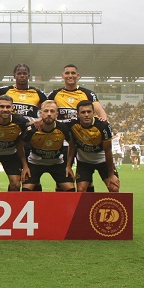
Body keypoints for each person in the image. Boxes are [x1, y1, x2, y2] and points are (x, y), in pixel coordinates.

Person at [48, 64, 108, 192]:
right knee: (63, 178)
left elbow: (100, 112)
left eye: (73, 73)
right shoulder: (55, 94)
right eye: (67, 73)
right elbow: (45, 110)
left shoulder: (87, 93)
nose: (70, 75)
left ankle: (86, 203)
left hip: (82, 142)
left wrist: (104, 123)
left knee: (86, 180)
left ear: (78, 75)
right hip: (64, 142)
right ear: (63, 76)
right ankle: (64, 203)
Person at [21, 101, 74, 192]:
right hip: (35, 163)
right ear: (40, 113)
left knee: (70, 189)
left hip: (57, 163)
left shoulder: (63, 128)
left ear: (57, 114)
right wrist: (25, 166)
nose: (49, 114)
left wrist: (68, 166)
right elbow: (20, 145)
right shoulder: (32, 130)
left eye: (52, 111)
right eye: (46, 111)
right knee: (26, 190)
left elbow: (72, 145)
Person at [67, 100, 120, 192]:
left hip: (102, 161)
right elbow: (72, 146)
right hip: (84, 161)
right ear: (78, 114)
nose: (86, 115)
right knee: (81, 190)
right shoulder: (72, 124)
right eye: (83, 112)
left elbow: (108, 151)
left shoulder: (103, 126)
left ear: (93, 113)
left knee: (114, 188)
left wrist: (111, 175)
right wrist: (68, 166)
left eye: (89, 112)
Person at [0, 95, 30, 192]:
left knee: (16, 185)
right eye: (2, 106)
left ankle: (11, 201)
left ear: (12, 108)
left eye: (8, 107)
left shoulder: (20, 121)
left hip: (10, 153)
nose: (5, 109)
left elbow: (31, 129)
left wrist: (25, 165)